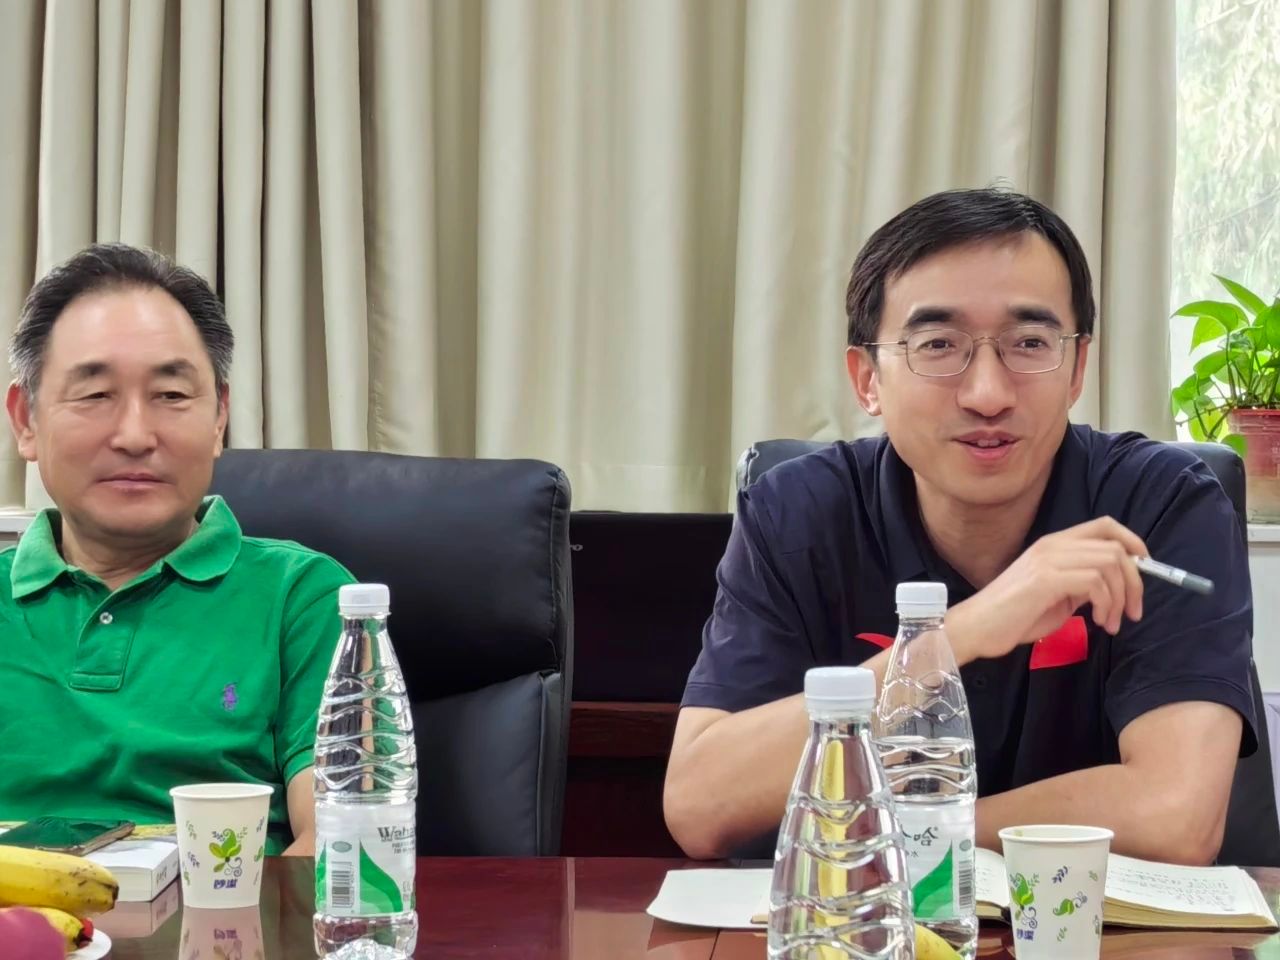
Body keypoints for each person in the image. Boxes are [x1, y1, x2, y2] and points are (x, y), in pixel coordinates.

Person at [664, 188, 1254, 865]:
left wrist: (908, 833)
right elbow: (700, 805)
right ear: (868, 378)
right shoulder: (797, 513)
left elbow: (1176, 816)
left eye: (1029, 343)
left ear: (1077, 369)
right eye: (938, 345)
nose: (988, 395)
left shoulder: (1162, 505)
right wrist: (957, 636)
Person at [0, 244, 353, 855]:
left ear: (219, 418)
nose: (135, 435)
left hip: (232, 914)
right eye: (95, 395)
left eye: (170, 395)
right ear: (25, 420)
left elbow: (340, 838)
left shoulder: (305, 599)